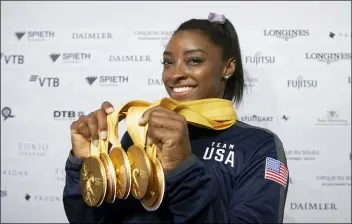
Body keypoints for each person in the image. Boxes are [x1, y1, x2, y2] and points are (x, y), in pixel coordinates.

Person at [63, 12, 289, 223]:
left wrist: (182, 168)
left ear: (228, 68)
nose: (175, 74)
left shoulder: (259, 146)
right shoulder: (140, 133)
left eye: (194, 61)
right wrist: (85, 166)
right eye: (168, 62)